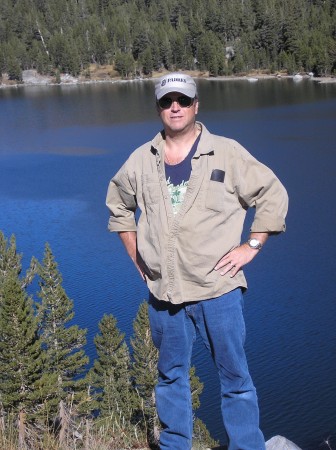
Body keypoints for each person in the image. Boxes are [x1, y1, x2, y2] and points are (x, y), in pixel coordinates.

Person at [106, 72, 288, 450]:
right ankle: (175, 444)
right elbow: (119, 206)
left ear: (196, 106)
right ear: (158, 107)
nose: (175, 107)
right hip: (164, 294)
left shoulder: (227, 152)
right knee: (170, 376)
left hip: (216, 289)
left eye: (183, 100)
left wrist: (251, 246)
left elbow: (272, 194)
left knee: (235, 378)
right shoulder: (141, 159)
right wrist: (136, 255)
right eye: (167, 101)